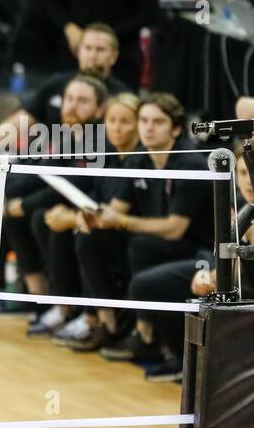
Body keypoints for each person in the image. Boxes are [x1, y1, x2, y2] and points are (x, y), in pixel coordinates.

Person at [80, 93, 210, 367]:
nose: (148, 128)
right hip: (155, 242)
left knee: (142, 244)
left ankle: (146, 333)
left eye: (158, 122)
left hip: (197, 249)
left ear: (175, 128)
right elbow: (115, 209)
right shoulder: (139, 160)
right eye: (144, 121)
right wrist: (92, 217)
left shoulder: (190, 163)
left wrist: (122, 221)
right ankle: (107, 322)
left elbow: (175, 229)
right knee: (91, 239)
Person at [0, 75, 107, 339]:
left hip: (99, 213)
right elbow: (40, 176)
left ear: (99, 108)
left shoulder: (99, 139)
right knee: (26, 215)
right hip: (68, 206)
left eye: (82, 101)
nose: (72, 106)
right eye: (69, 99)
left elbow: (73, 185)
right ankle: (45, 301)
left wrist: (19, 205)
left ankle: (78, 310)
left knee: (45, 218)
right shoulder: (62, 136)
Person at [29, 91, 139, 346]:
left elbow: (113, 213)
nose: (116, 128)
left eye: (125, 121)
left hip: (130, 235)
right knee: (49, 221)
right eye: (112, 121)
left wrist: (72, 218)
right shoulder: (109, 157)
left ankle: (100, 321)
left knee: (87, 237)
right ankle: (68, 307)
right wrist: (71, 215)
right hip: (110, 228)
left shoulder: (137, 159)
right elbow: (95, 200)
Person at [134, 154, 254, 383]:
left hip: (243, 292)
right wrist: (211, 274)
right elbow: (225, 254)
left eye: (252, 171)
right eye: (242, 173)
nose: (248, 180)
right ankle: (185, 364)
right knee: (147, 284)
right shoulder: (238, 203)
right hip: (217, 266)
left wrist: (217, 277)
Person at [0, 23, 126, 156]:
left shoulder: (122, 97)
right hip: (44, 161)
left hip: (89, 167)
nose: (93, 55)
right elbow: (18, 123)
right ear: (77, 51)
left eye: (100, 50)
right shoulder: (57, 84)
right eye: (88, 48)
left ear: (113, 56)